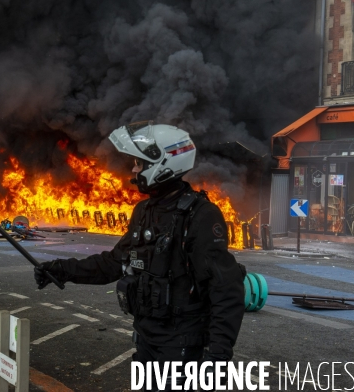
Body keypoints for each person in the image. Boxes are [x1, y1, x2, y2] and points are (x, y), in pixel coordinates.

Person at [34, 123, 245, 391]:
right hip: (146, 340)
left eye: (140, 163)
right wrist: (60, 269)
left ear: (165, 163)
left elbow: (226, 291)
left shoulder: (201, 216)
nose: (134, 170)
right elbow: (114, 263)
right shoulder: (144, 211)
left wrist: (217, 358)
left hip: (182, 346)